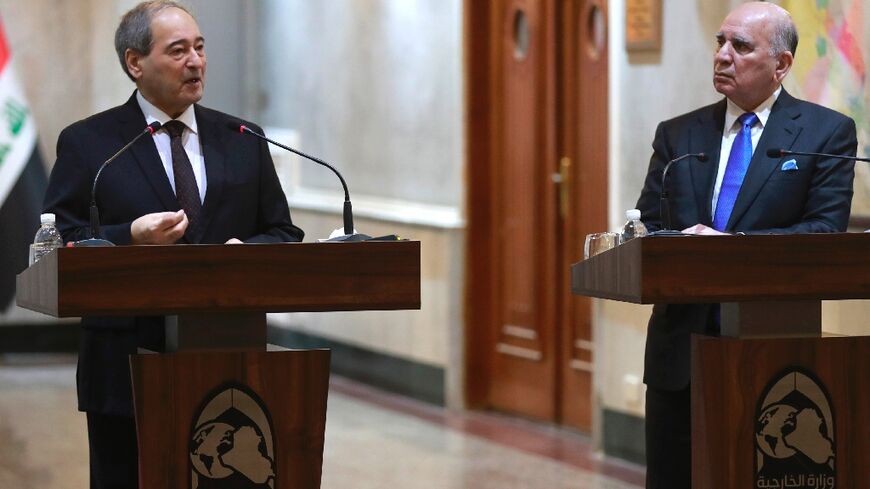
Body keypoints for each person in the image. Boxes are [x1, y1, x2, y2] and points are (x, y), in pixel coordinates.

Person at [42, 2, 304, 488]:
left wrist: (247, 251)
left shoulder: (242, 137)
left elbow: (283, 232)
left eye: (200, 48)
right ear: (135, 63)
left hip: (231, 358)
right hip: (124, 364)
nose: (196, 62)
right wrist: (129, 236)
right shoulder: (89, 143)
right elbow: (57, 240)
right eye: (178, 50)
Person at [633, 2, 856, 488]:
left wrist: (730, 246)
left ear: (781, 64)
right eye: (721, 42)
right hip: (680, 353)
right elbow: (650, 225)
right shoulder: (678, 135)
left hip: (774, 350)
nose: (722, 55)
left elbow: (824, 232)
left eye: (741, 45)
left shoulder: (825, 133)